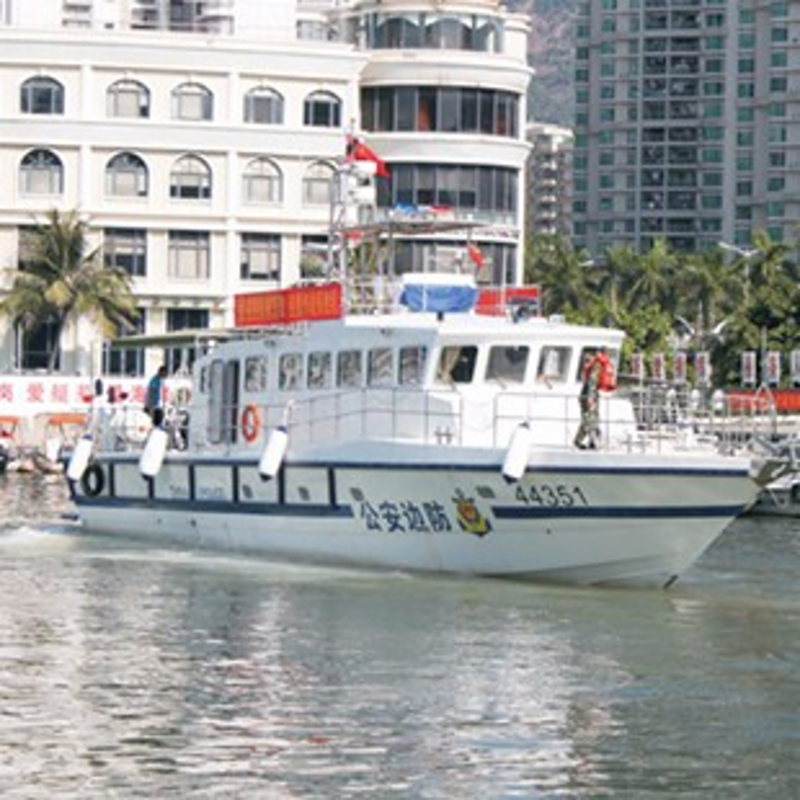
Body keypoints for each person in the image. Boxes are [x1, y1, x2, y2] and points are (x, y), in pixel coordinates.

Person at [574, 348, 616, 450]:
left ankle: (588, 442)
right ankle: (584, 441)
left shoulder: (599, 363)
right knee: (589, 420)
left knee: (592, 419)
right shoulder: (597, 365)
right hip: (589, 395)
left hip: (592, 395)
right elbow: (591, 381)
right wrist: (590, 397)